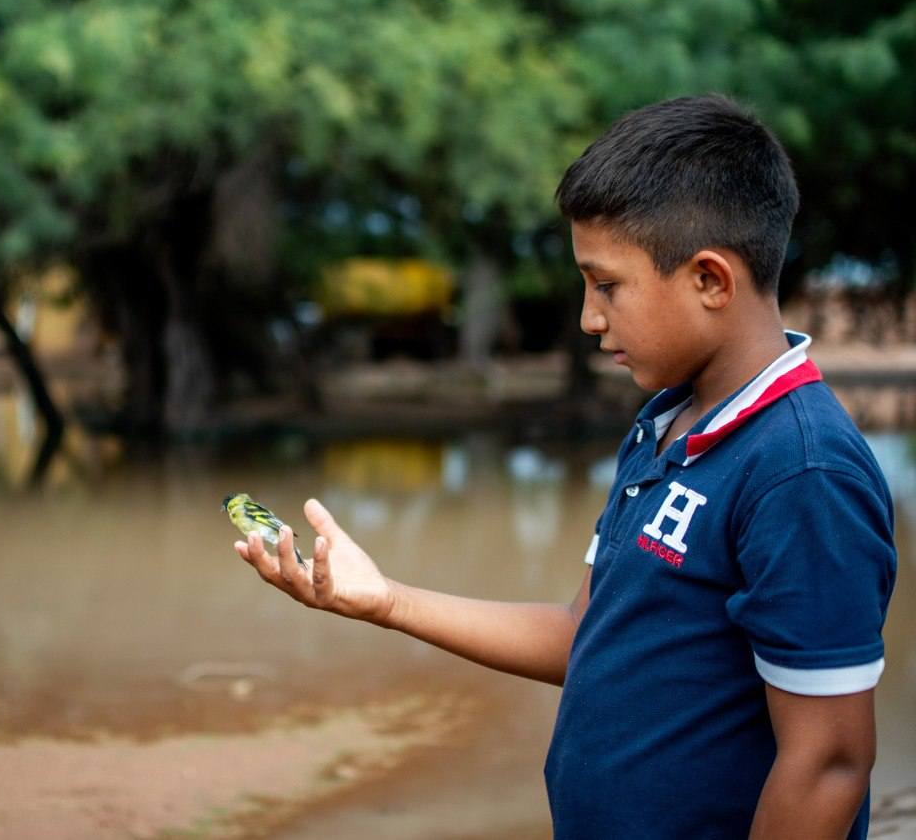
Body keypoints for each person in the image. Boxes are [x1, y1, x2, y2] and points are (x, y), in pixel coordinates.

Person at [233, 94, 897, 839]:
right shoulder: (664, 423)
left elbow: (829, 762)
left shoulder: (800, 473)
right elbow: (586, 632)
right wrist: (384, 598)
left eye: (607, 284)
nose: (588, 316)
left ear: (711, 280)